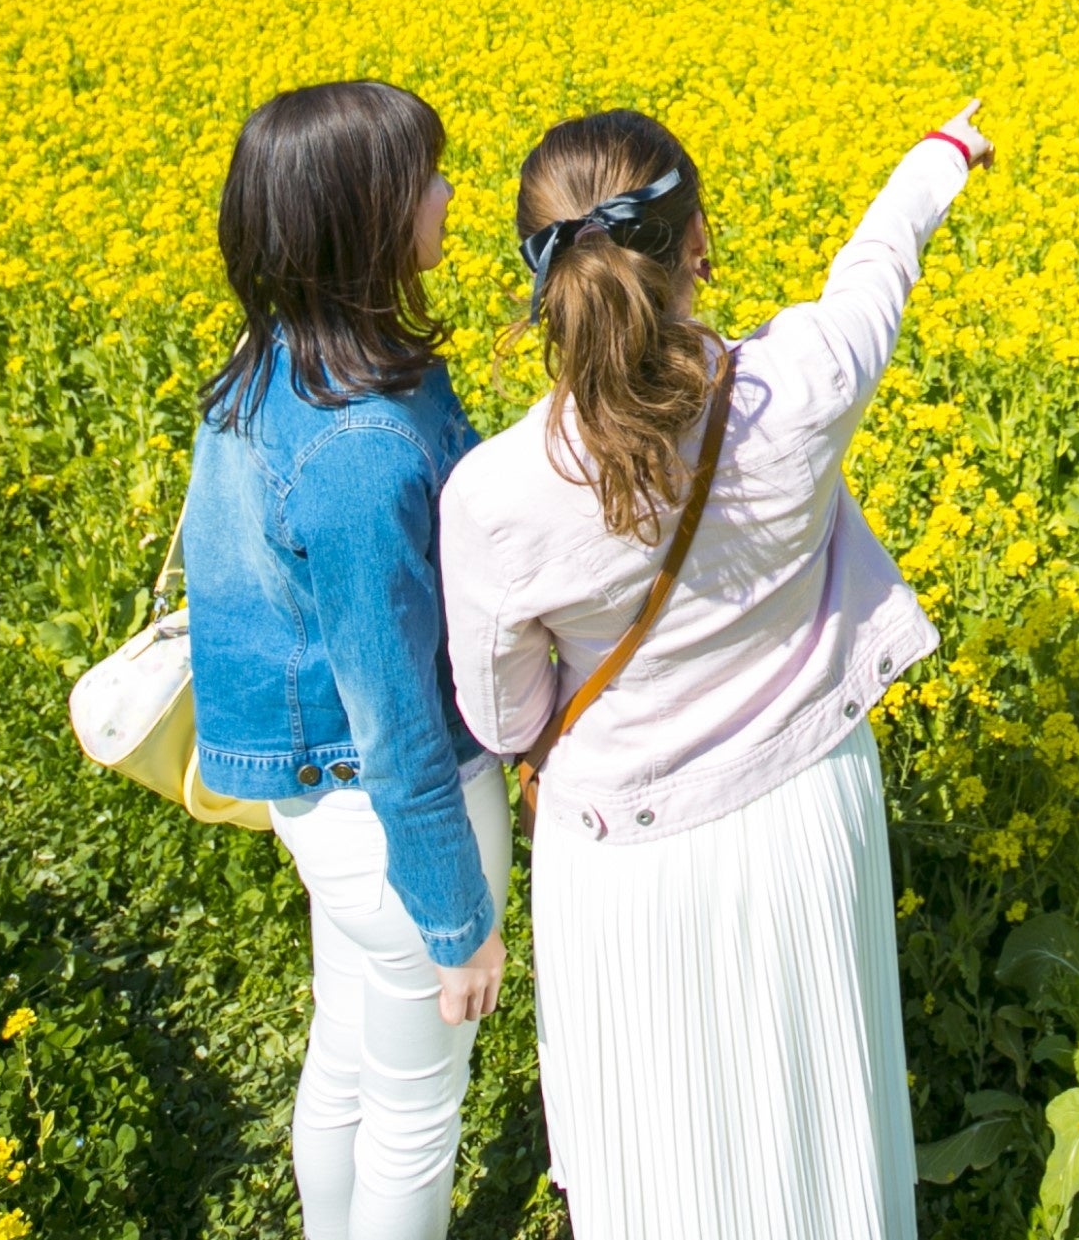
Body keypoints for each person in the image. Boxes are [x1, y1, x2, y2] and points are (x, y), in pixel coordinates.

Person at [443, 100, 992, 1240]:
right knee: (820, 1114)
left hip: (627, 861)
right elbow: (872, 274)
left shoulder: (493, 496)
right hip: (806, 812)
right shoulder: (801, 389)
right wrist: (934, 162)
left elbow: (505, 717)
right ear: (696, 243)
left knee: (669, 1146)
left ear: (544, 281)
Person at [184, 82, 508, 1240]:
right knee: (418, 1110)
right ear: (364, 217)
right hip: (391, 816)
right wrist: (453, 917)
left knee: (348, 1053)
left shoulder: (275, 355)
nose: (449, 193)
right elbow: (397, 718)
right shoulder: (360, 445)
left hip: (318, 802)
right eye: (425, 177)